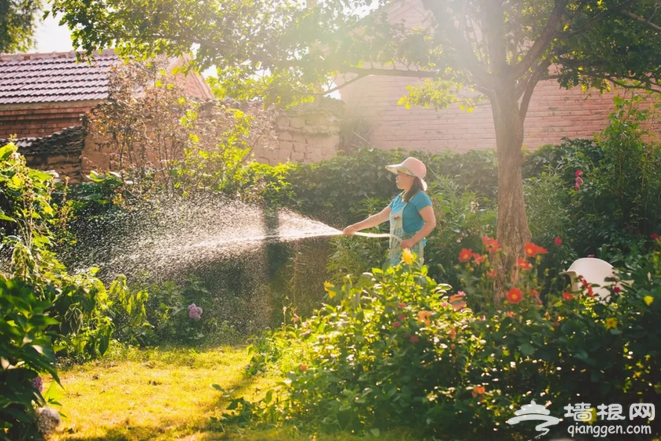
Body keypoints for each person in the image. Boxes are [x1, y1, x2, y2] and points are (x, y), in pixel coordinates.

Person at [343, 157, 437, 266]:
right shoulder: (399, 198)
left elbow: (431, 223)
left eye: (399, 174)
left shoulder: (420, 197)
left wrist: (412, 241)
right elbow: (379, 218)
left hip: (412, 253)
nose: (396, 178)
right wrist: (355, 227)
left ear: (410, 177)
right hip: (395, 252)